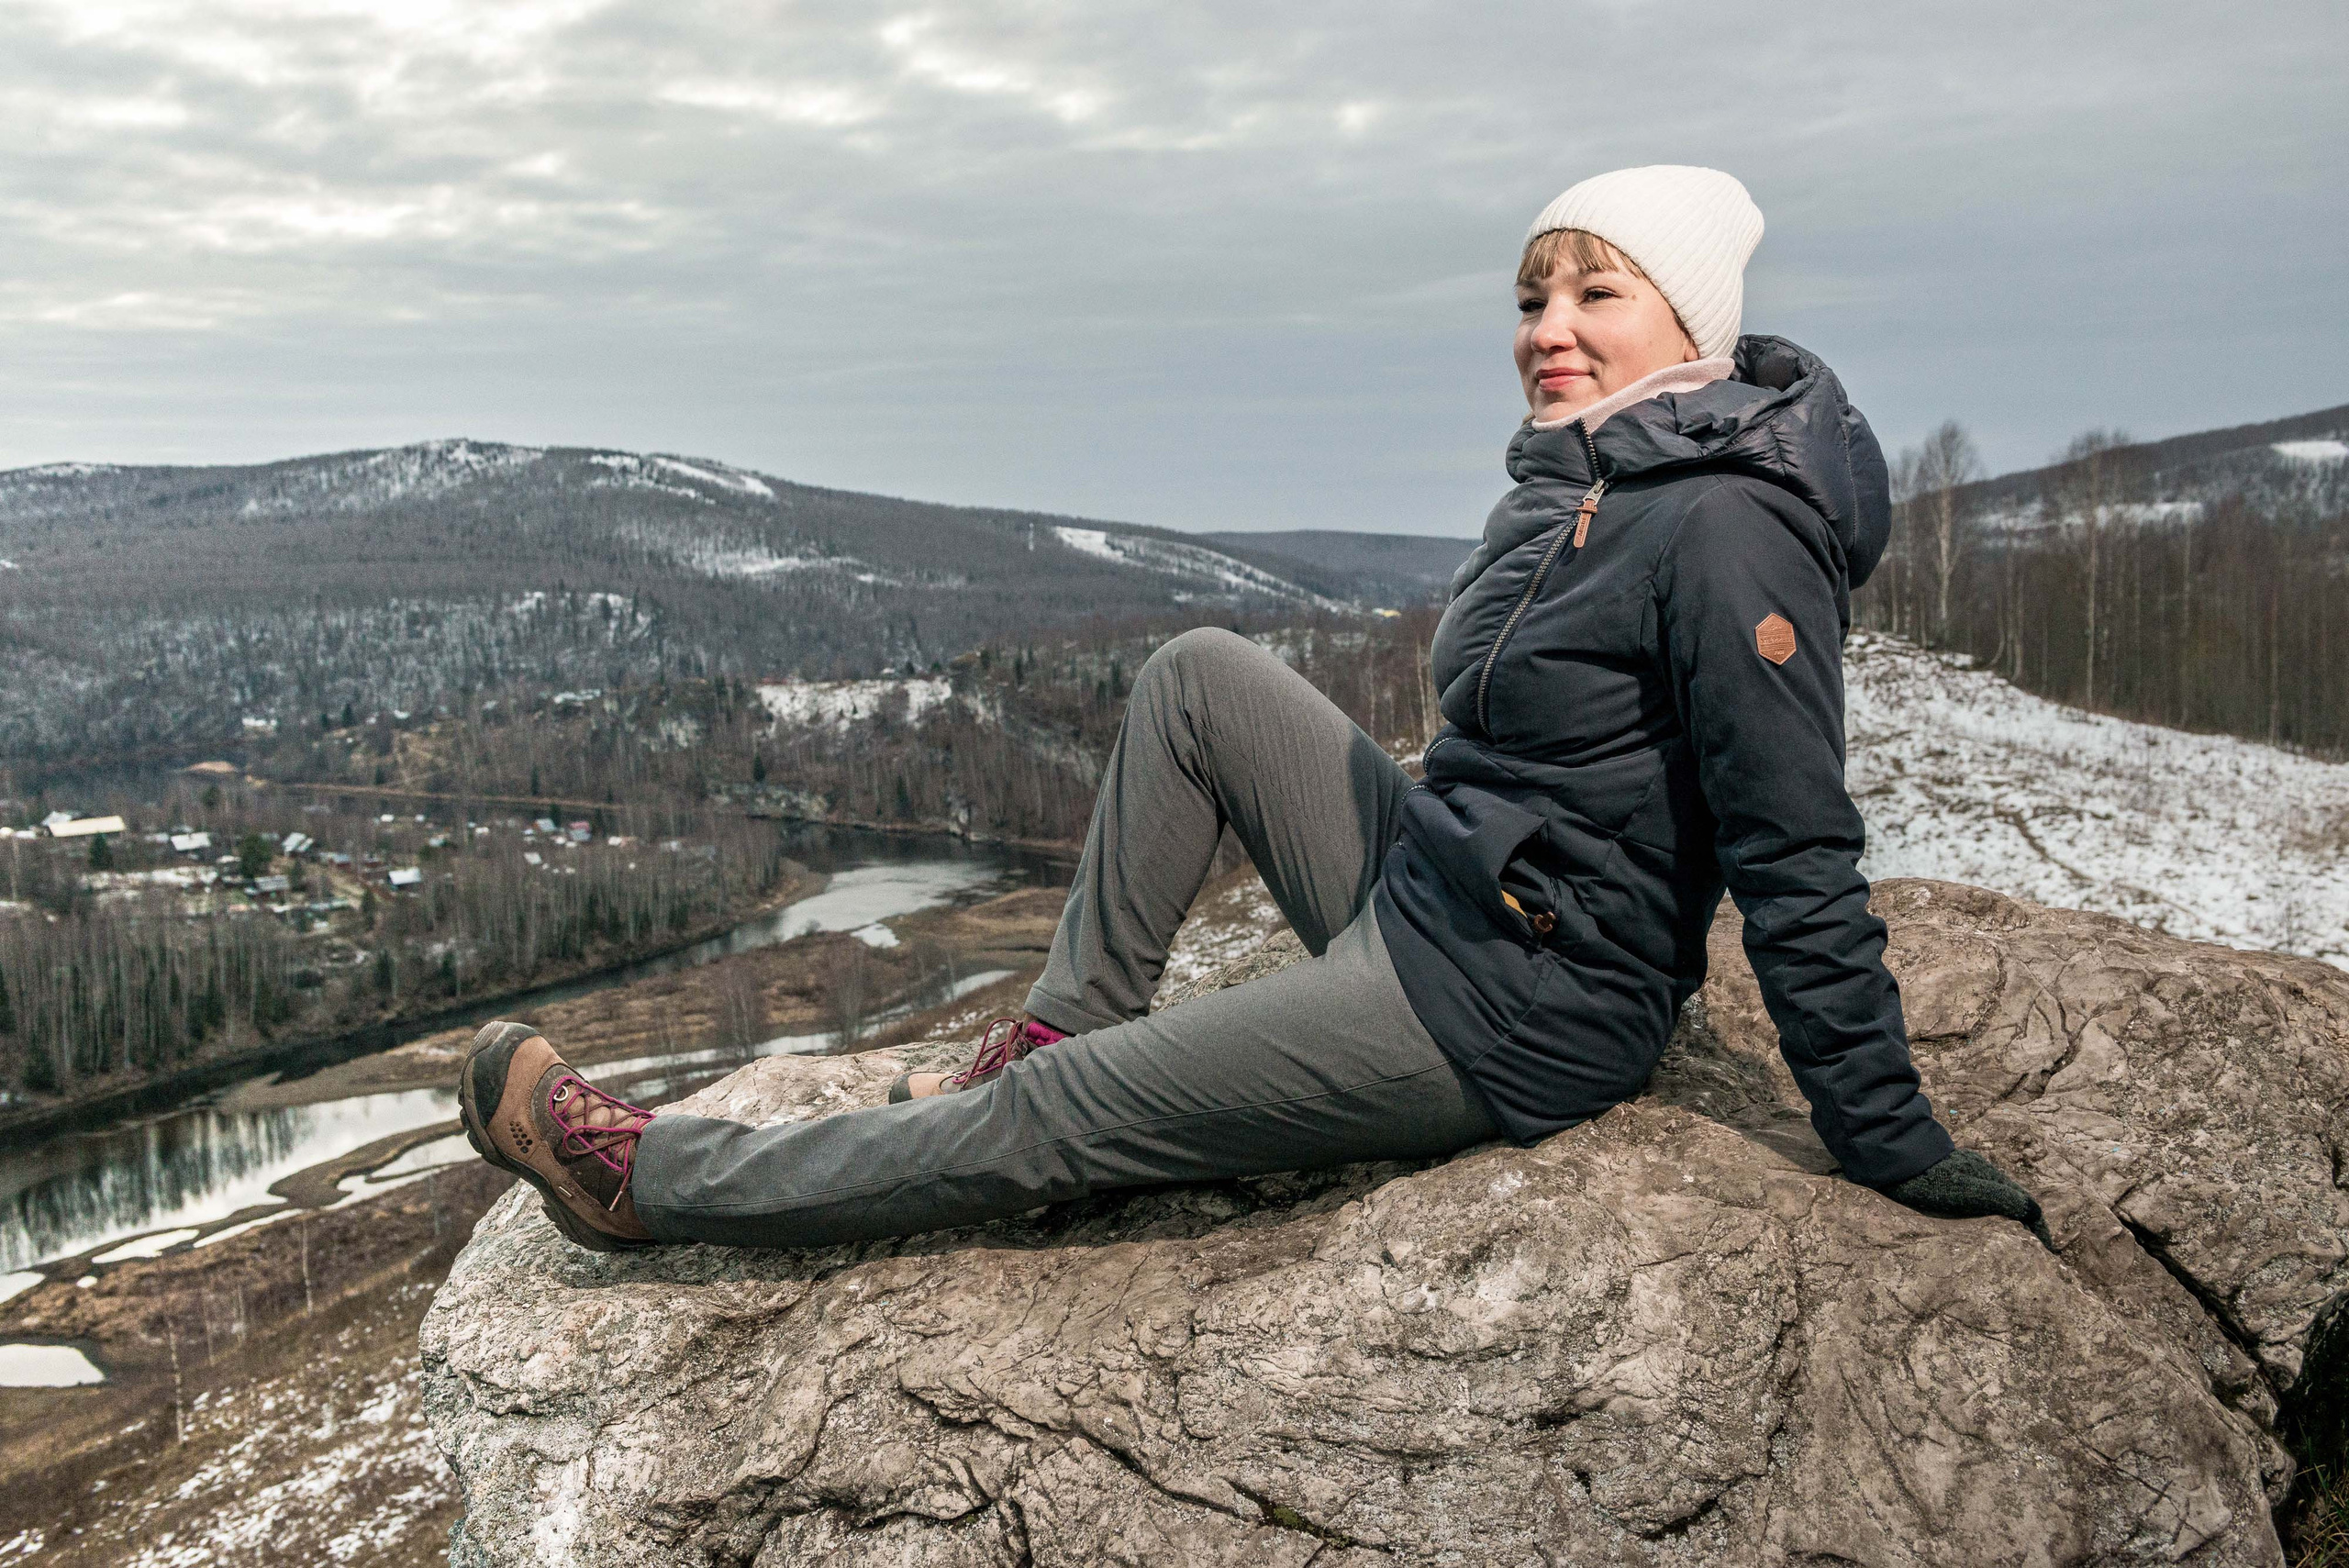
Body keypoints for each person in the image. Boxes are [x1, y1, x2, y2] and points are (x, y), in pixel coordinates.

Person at [457, 164, 2047, 1255]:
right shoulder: (1588, 482)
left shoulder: (1721, 524)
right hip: (1439, 886)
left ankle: (646, 1180)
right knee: (1197, 672)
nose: (1546, 328)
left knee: (1067, 1122)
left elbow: (1797, 845)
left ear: (1689, 323)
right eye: (1531, 293)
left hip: (1516, 1003)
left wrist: (1889, 1136)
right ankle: (1052, 1029)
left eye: (1596, 294)